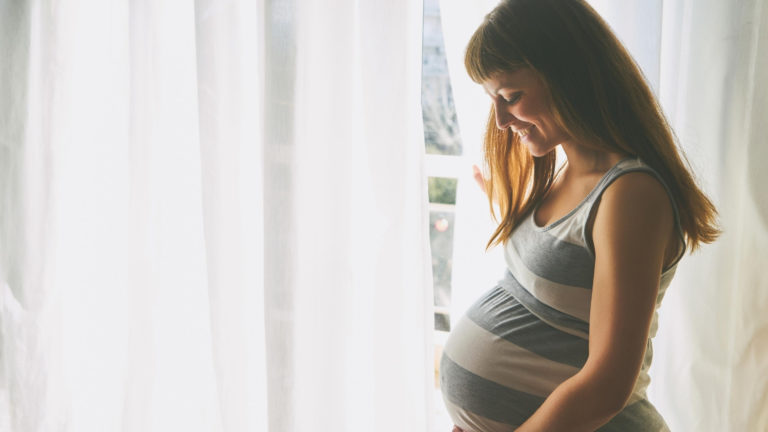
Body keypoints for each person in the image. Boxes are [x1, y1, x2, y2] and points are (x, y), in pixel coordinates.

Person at [438, 0, 720, 431]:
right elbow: (564, 277)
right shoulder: (562, 172)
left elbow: (608, 383)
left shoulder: (632, 193)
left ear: (566, 76)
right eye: (493, 99)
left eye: (511, 96)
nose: (499, 120)